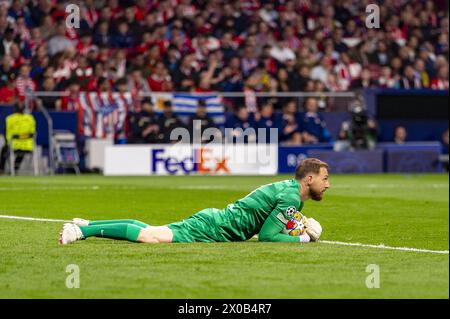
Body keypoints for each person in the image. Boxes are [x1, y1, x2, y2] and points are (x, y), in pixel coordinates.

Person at [59, 158, 329, 244]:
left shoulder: (292, 194)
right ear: (308, 179)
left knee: (152, 229)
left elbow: (273, 223)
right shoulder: (292, 197)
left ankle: (89, 223)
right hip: (216, 228)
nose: (327, 184)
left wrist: (300, 225)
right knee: (151, 237)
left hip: (218, 221)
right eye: (324, 178)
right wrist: (304, 239)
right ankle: (82, 231)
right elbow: (268, 237)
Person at [0, 102, 36, 174]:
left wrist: (8, 141)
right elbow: (33, 133)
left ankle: (1, 170)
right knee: (21, 152)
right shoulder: (30, 118)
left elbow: (6, 132)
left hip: (14, 145)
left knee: (4, 150)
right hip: (28, 146)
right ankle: (15, 169)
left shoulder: (10, 118)